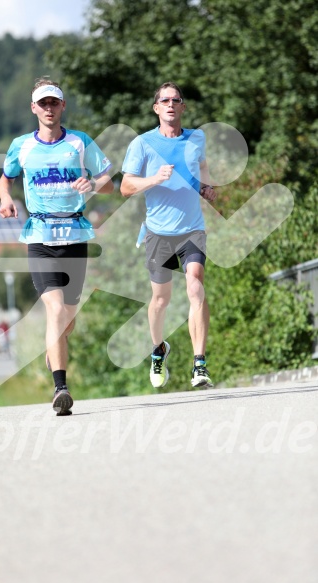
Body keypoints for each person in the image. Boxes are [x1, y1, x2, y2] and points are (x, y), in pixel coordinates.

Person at [0, 78, 113, 414]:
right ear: (33, 108)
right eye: (43, 103)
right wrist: (6, 199)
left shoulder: (80, 143)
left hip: (74, 235)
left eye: (54, 103)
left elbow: (108, 183)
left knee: (68, 320)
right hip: (39, 235)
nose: (49, 109)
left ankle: (55, 349)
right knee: (56, 310)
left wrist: (92, 183)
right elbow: (6, 179)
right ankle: (61, 389)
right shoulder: (21, 146)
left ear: (63, 107)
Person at [120, 82, 216, 389]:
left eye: (176, 100)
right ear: (157, 108)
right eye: (165, 100)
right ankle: (158, 350)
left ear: (183, 107)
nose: (171, 104)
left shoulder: (196, 138)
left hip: (192, 228)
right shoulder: (142, 144)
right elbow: (125, 187)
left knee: (196, 286)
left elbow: (201, 167)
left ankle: (199, 364)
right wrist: (154, 179)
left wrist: (206, 187)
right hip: (158, 232)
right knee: (160, 300)